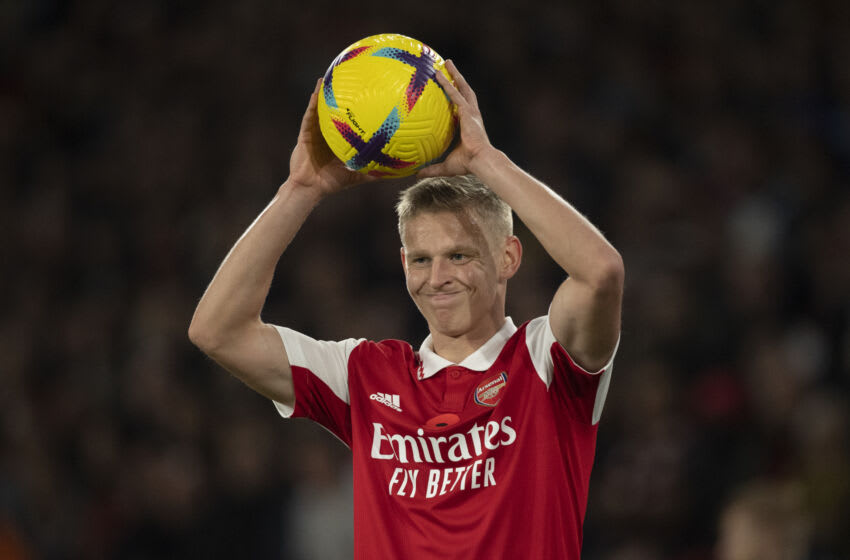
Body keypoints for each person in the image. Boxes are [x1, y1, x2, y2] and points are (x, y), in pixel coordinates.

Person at [189, 60, 624, 559]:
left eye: (459, 255)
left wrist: (486, 159)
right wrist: (300, 191)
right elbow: (216, 331)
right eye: (421, 259)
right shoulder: (365, 376)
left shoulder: (545, 361)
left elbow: (601, 272)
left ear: (508, 256)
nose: (437, 277)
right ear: (402, 264)